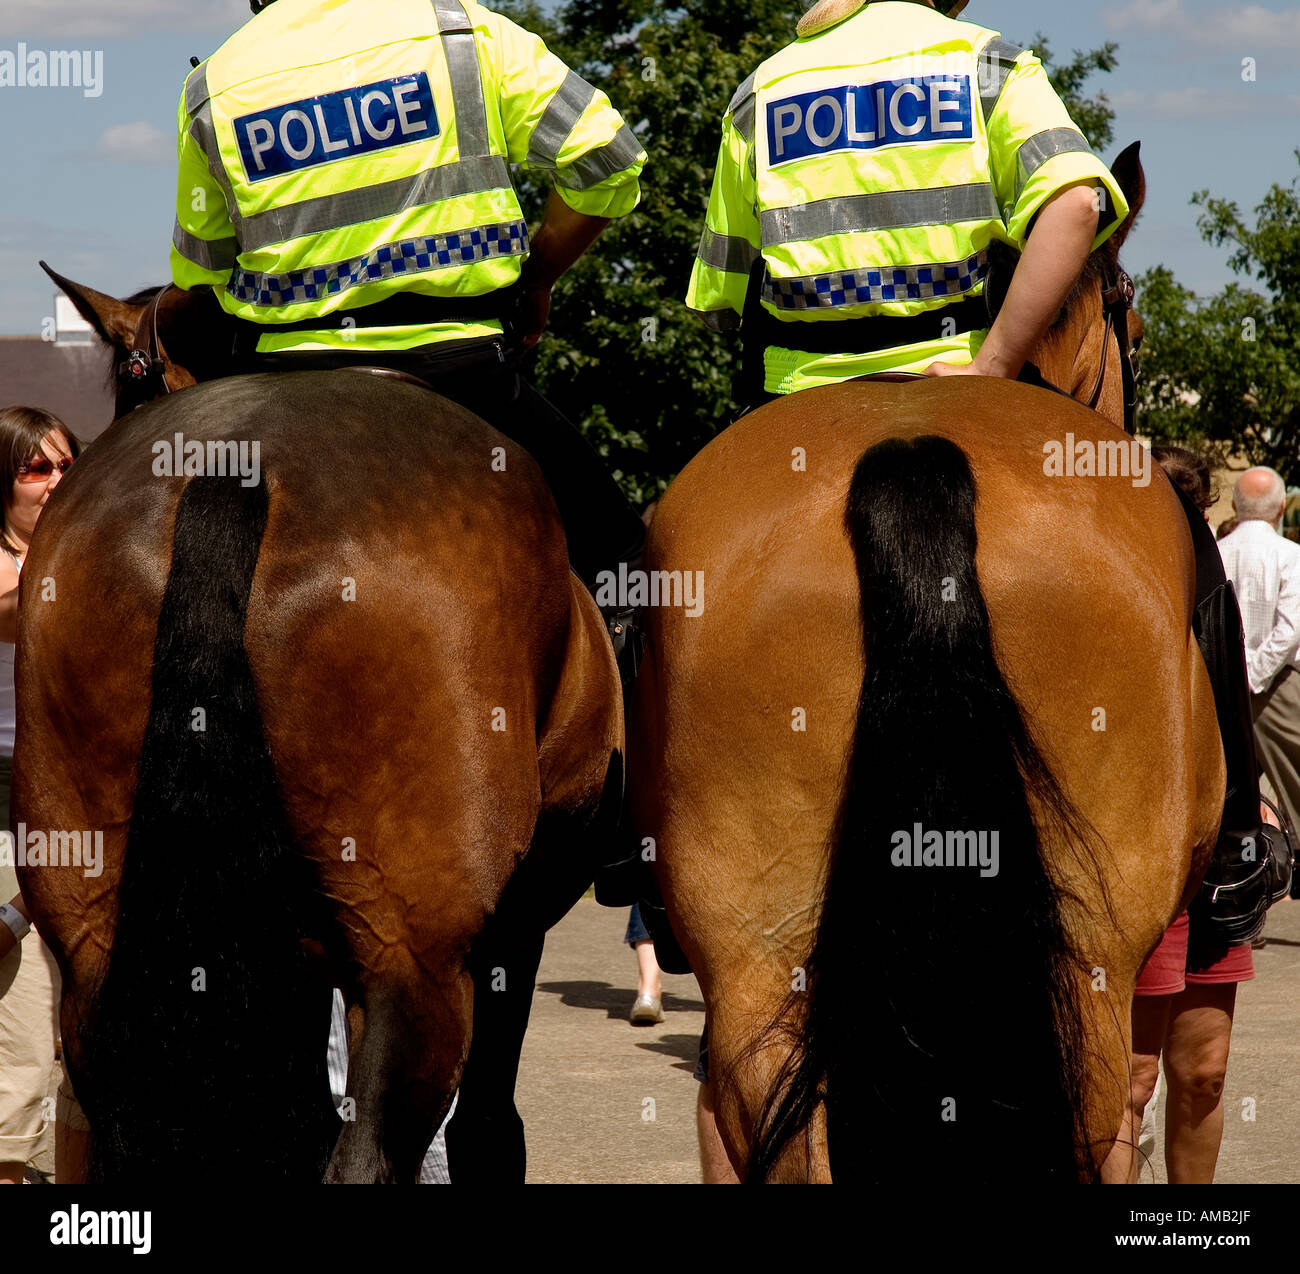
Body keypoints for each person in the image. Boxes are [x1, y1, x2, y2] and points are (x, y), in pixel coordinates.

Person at [170, 0, 648, 665]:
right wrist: (537, 277)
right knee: (626, 558)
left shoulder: (212, 87)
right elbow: (609, 160)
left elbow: (200, 273)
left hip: (285, 386)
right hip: (459, 374)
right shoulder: (462, 31)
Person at [1101, 447, 1261, 1185]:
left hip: (1213, 846)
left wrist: (1249, 807)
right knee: (1130, 1078)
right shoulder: (1103, 589)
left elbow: (1231, 695)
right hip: (1135, 852)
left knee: (1205, 1070)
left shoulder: (1209, 578)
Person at [0, 407, 79, 1184]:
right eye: (36, 469)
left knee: (92, 1053)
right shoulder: (10, 569)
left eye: (67, 465)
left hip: (83, 810)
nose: (57, 482)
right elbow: (26, 613)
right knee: (21, 1050)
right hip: (5, 813)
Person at [1218, 468, 1300, 835]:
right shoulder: (1291, 555)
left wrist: (1240, 670)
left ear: (1234, 505)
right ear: (1281, 508)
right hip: (1278, 686)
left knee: (1224, 788)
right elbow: (1291, 629)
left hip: (1221, 685)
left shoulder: (1215, 554)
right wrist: (1255, 672)